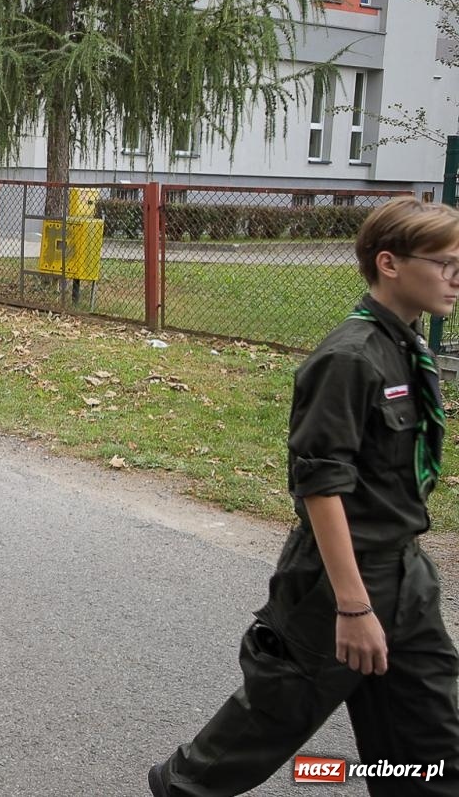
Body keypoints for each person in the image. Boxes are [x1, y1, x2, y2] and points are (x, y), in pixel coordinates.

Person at [149, 198, 459, 797]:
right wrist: (354, 607)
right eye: (444, 262)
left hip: (405, 570)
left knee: (429, 747)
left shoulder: (405, 347)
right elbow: (320, 486)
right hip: (337, 582)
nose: (456, 276)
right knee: (262, 730)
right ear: (389, 263)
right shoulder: (349, 357)